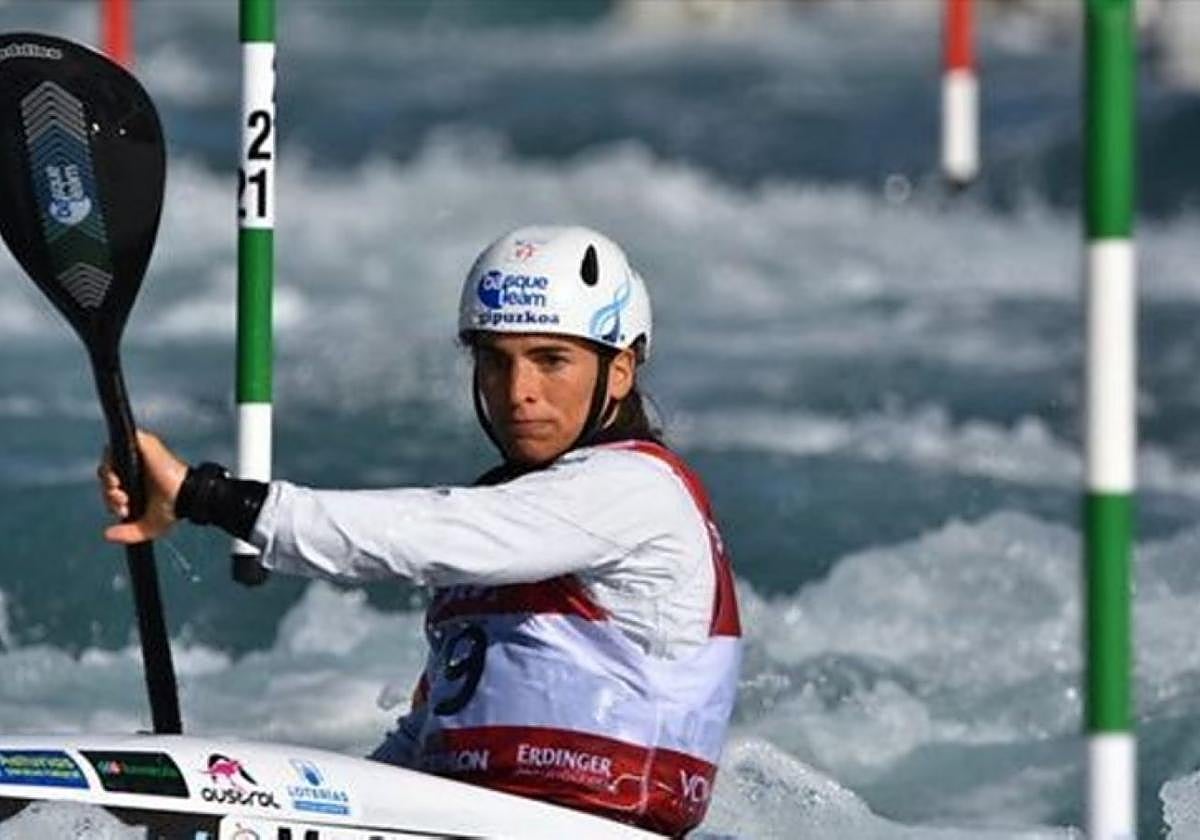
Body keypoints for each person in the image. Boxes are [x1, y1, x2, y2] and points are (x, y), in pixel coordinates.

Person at [99, 225, 742, 837]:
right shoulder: (507, 523)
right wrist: (234, 801)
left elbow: (431, 532)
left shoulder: (635, 489)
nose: (518, 391)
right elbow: (425, 750)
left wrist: (205, 495)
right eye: (495, 362)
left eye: (552, 360)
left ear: (621, 369)